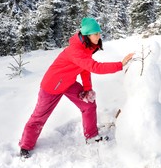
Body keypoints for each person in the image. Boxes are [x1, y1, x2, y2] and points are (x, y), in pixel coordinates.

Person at [19, 17, 134, 158]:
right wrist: (120, 64)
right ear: (87, 35)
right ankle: (25, 146)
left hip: (68, 83)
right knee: (39, 116)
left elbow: (84, 69)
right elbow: (94, 67)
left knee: (89, 104)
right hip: (51, 86)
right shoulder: (76, 50)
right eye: (96, 34)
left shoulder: (86, 47)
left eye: (99, 33)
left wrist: (87, 89)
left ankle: (91, 136)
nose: (99, 36)